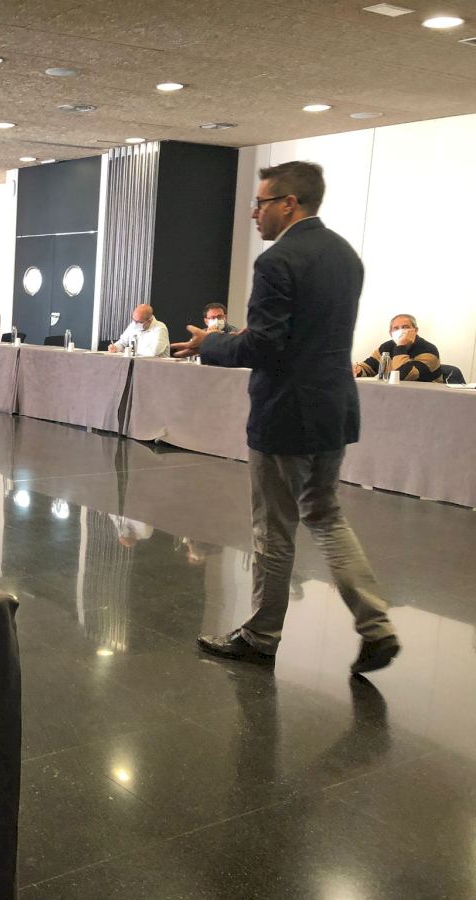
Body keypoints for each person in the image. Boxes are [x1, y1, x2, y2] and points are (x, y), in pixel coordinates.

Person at [172, 160, 399, 675]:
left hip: (286, 415)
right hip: (333, 408)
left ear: (289, 204)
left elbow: (266, 346)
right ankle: (376, 625)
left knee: (274, 529)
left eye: (261, 203)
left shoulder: (277, 261)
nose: (255, 213)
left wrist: (213, 343)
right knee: (325, 514)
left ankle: (261, 635)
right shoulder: (345, 256)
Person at [353, 314, 442, 381]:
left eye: (405, 327)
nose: (401, 331)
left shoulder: (429, 350)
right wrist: (358, 370)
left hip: (425, 395)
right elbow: (369, 367)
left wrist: (401, 346)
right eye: (396, 328)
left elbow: (402, 376)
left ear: (415, 330)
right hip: (392, 393)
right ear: (390, 333)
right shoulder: (386, 347)